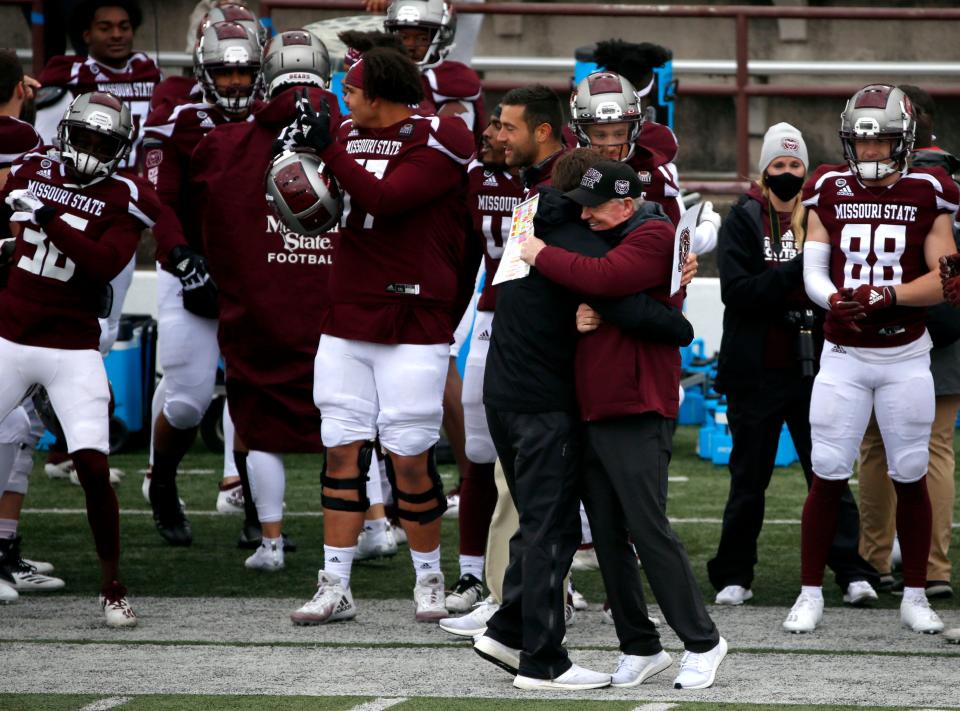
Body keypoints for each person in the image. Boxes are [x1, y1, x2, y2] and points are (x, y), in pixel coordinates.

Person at [472, 149, 695, 691]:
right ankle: (543, 662)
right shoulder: (579, 236)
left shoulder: (530, 214)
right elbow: (615, 288)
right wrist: (673, 311)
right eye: (584, 205)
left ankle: (505, 629)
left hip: (503, 387)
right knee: (553, 528)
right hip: (543, 397)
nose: (587, 213)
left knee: (542, 521)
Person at [279, 45, 477, 624]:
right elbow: (318, 171)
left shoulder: (442, 135)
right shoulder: (345, 131)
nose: (343, 101)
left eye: (352, 92)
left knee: (409, 457)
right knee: (340, 451)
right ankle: (335, 584)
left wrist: (330, 151)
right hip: (348, 313)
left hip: (415, 316)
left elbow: (388, 199)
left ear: (380, 97)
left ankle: (430, 578)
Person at [519, 159, 727, 690]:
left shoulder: (655, 234)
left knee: (647, 527)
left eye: (596, 207)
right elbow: (599, 287)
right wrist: (587, 310)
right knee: (608, 534)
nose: (586, 217)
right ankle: (639, 643)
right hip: (597, 403)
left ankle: (703, 640)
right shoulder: (623, 230)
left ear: (628, 204)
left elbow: (605, 280)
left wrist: (544, 256)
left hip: (638, 403)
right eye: (583, 206)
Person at [787, 84, 957, 635]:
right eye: (864, 144)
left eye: (884, 143)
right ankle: (810, 591)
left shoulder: (930, 189)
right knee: (828, 472)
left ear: (904, 142)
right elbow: (814, 267)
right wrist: (832, 297)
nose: (872, 154)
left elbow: (948, 280)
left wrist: (890, 296)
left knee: (910, 471)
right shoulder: (827, 188)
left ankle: (914, 594)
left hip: (906, 354)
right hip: (843, 354)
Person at [0, 91, 161, 624]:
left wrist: (48, 217)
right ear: (67, 132)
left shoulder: (126, 196)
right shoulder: (33, 166)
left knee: (92, 465)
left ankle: (112, 586)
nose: (90, 147)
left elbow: (102, 262)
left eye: (102, 141)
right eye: (84, 136)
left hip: (72, 346)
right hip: (11, 335)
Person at [706, 122, 879, 607]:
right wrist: (797, 271)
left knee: (827, 471)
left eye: (794, 165)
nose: (786, 173)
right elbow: (737, 293)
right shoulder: (743, 217)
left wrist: (787, 280)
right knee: (748, 478)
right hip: (754, 370)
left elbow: (836, 283)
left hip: (817, 367)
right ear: (765, 171)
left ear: (805, 169)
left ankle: (850, 569)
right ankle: (734, 572)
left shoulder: (824, 215)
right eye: (778, 166)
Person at [189, 29, 341, 572]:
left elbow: (205, 225)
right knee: (350, 429)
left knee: (260, 429)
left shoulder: (226, 144)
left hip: (257, 309)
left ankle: (270, 542)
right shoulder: (348, 136)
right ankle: (371, 527)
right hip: (336, 311)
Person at [140, 20, 262, 547]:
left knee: (255, 391)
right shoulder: (178, 121)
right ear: (203, 72)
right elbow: (157, 200)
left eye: (244, 70)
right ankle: (162, 482)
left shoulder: (275, 118)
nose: (235, 81)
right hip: (189, 271)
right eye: (224, 70)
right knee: (188, 401)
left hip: (255, 274)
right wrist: (182, 255)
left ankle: (261, 508)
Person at [861, 84, 960, 599]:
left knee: (879, 448)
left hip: (896, 322)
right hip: (944, 323)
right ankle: (933, 567)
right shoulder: (951, 174)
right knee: (934, 451)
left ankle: (873, 562)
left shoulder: (901, 179)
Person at [441, 104, 525, 614]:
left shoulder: (555, 175)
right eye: (491, 125)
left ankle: (549, 571)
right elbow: (465, 251)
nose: (490, 135)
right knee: (477, 449)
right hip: (493, 315)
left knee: (542, 451)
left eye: (502, 127)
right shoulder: (474, 173)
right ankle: (473, 571)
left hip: (542, 322)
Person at [35, 0, 160, 170]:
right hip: (92, 185)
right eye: (105, 28)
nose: (117, 35)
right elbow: (42, 142)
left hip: (142, 180)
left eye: (124, 27)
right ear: (86, 35)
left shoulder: (148, 71)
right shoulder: (70, 75)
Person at [383, 0, 485, 145]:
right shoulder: (385, 73)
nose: (410, 46)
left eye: (422, 38)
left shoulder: (452, 80)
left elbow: (454, 147)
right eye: (404, 37)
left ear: (440, 38)